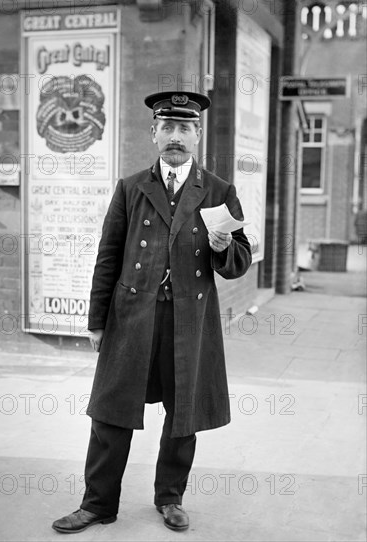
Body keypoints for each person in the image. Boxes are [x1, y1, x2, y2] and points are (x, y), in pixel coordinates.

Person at [52, 91, 252, 534]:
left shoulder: (219, 191)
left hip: (188, 320)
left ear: (197, 135)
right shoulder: (131, 187)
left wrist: (224, 249)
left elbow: (240, 262)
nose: (176, 137)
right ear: (154, 134)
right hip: (132, 317)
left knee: (184, 414)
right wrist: (96, 321)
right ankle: (97, 503)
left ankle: (170, 497)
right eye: (168, 128)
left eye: (185, 128)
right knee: (110, 411)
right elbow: (108, 257)